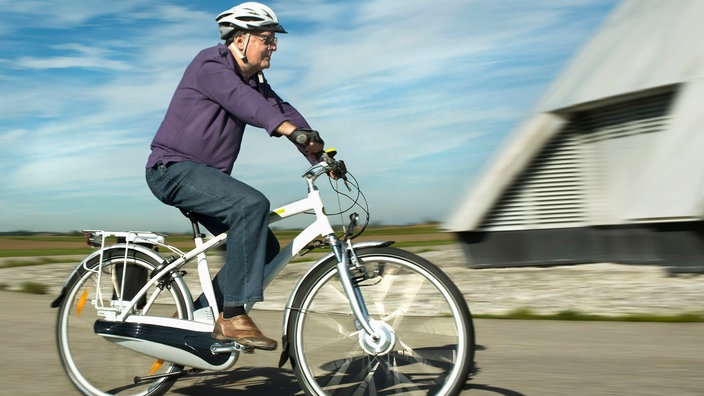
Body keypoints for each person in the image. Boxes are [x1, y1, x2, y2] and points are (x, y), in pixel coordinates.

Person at [145, 2, 324, 351]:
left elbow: (278, 107)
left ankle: (200, 320)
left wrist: (315, 147)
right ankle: (232, 316)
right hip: (172, 169)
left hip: (203, 176)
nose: (273, 46)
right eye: (267, 38)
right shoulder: (210, 64)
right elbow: (244, 102)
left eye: (273, 40)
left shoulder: (254, 80)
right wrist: (288, 131)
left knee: (266, 247)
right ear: (240, 40)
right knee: (251, 205)